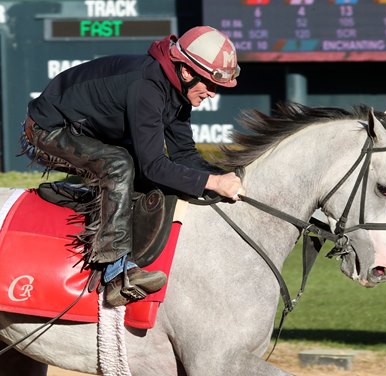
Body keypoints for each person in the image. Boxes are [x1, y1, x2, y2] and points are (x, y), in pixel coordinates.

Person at [20, 26, 244, 307]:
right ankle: (115, 272)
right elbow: (154, 166)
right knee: (120, 165)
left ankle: (82, 196)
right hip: (46, 130)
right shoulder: (147, 87)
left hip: (90, 132)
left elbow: (184, 154)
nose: (213, 94)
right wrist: (212, 182)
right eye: (210, 85)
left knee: (136, 166)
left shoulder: (177, 91)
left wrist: (219, 176)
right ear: (187, 73)